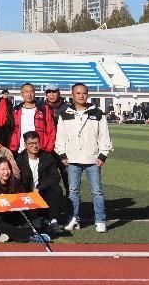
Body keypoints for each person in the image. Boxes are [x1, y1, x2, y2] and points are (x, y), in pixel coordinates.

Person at [55, 83, 113, 233]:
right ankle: (73, 219)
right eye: (78, 93)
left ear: (88, 94)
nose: (81, 96)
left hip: (92, 159)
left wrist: (103, 155)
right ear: (72, 95)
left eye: (84, 93)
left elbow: (104, 136)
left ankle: (100, 220)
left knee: (97, 191)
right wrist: (62, 155)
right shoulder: (65, 114)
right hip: (72, 160)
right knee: (73, 191)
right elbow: (60, 137)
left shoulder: (98, 113)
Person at [0, 158, 49, 244]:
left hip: (13, 217)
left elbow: (23, 198)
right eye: (2, 169)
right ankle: (29, 237)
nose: (6, 172)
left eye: (8, 169)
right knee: (0, 226)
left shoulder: (15, 182)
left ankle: (10, 235)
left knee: (36, 222)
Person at [17, 131, 64, 234]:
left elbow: (55, 177)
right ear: (25, 145)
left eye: (37, 143)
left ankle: (52, 220)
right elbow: (17, 180)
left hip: (42, 192)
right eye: (31, 144)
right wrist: (28, 192)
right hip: (27, 194)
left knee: (57, 190)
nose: (34, 146)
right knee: (35, 223)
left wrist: (40, 188)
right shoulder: (19, 160)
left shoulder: (48, 158)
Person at [9, 83, 56, 154]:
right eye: (26, 92)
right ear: (21, 94)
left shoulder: (44, 109)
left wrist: (49, 149)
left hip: (40, 150)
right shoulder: (15, 111)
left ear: (34, 93)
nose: (29, 94)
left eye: (31, 91)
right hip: (20, 151)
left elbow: (51, 130)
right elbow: (11, 131)